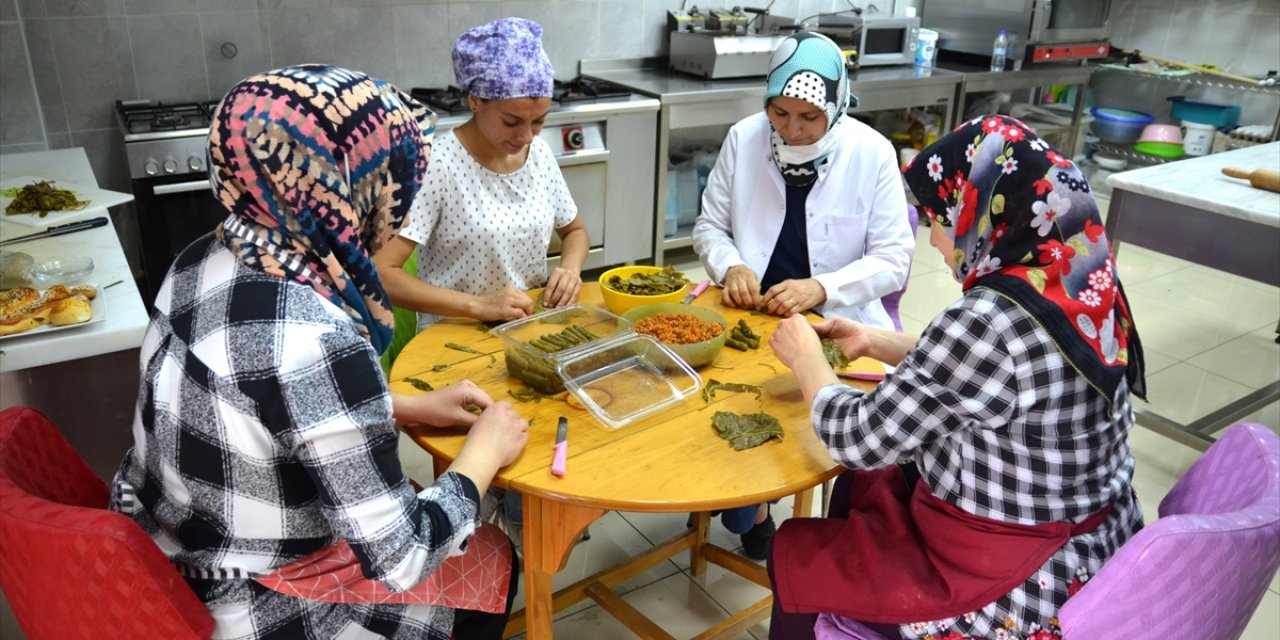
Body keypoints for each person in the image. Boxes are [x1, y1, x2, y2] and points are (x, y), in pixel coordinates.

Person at [109, 65, 529, 640]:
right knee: (493, 559)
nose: (402, 204)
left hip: (161, 547)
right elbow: (401, 557)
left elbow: (261, 404)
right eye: (398, 185)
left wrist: (407, 405)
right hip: (247, 601)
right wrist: (483, 454)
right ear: (351, 189)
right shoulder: (316, 339)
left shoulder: (198, 259)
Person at [764, 115, 1147, 639]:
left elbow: (856, 438)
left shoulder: (988, 320)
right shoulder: (1081, 275)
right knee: (870, 485)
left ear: (985, 210)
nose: (939, 244)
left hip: (1024, 584)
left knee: (798, 560)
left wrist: (806, 356)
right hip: (1099, 538)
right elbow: (1001, 377)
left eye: (941, 221)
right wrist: (875, 342)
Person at [690, 31, 915, 559]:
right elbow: (708, 227)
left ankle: (765, 503)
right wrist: (732, 265)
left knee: (800, 426)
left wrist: (822, 287)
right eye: (780, 112)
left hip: (834, 326)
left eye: (808, 117)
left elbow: (893, 260)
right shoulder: (745, 138)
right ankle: (742, 500)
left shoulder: (872, 153)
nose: (790, 129)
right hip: (750, 314)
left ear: (836, 105)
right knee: (723, 408)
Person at [375, 17, 588, 333]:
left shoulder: (539, 154)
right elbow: (383, 272)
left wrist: (570, 269)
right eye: (512, 122)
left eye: (539, 122)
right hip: (453, 334)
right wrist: (478, 306)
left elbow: (575, 231)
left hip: (527, 326)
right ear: (475, 101)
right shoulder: (439, 165)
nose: (527, 136)